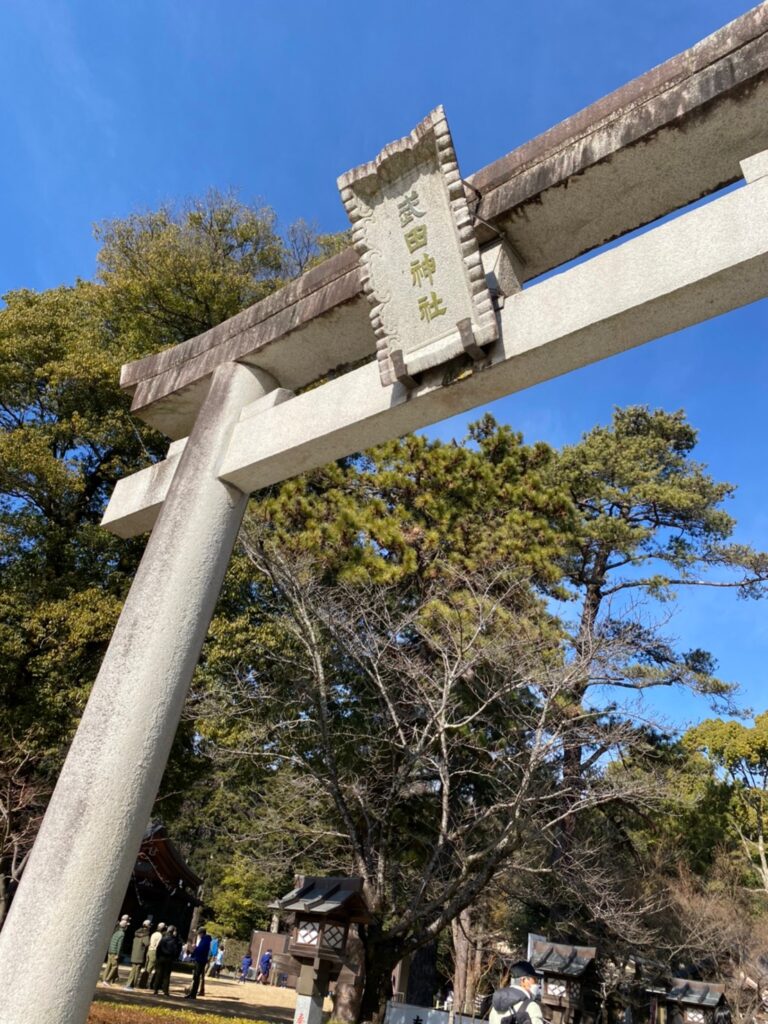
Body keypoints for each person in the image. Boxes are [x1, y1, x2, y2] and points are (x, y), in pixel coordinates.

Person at [101, 915, 130, 985]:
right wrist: (117, 954)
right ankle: (107, 980)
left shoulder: (116, 931)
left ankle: (104, 979)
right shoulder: (122, 934)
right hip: (114, 952)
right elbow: (119, 945)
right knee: (114, 966)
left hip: (110, 950)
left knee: (108, 965)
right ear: (125, 926)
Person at [153, 924, 181, 997]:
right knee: (167, 975)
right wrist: (174, 957)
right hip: (169, 959)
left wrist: (157, 957)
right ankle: (165, 991)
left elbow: (158, 949)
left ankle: (155, 989)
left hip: (161, 958)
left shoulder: (163, 939)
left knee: (158, 974)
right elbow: (176, 950)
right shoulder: (175, 940)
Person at [185, 927, 211, 1000]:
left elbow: (201, 950)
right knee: (195, 977)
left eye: (199, 934)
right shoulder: (204, 940)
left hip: (200, 960)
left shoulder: (205, 941)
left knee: (196, 977)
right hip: (199, 959)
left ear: (202, 933)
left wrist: (194, 949)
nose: (198, 935)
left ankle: (193, 994)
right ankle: (191, 993)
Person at [125, 919, 151, 989]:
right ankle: (132, 984)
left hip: (134, 954)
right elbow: (147, 944)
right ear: (148, 926)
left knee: (133, 969)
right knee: (137, 971)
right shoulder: (146, 935)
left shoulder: (137, 933)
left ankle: (128, 983)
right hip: (140, 955)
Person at [145, 922, 166, 989]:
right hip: (154, 951)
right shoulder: (159, 935)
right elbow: (158, 945)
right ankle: (145, 984)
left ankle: (143, 983)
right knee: (150, 968)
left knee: (147, 967)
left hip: (149, 950)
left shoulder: (154, 933)